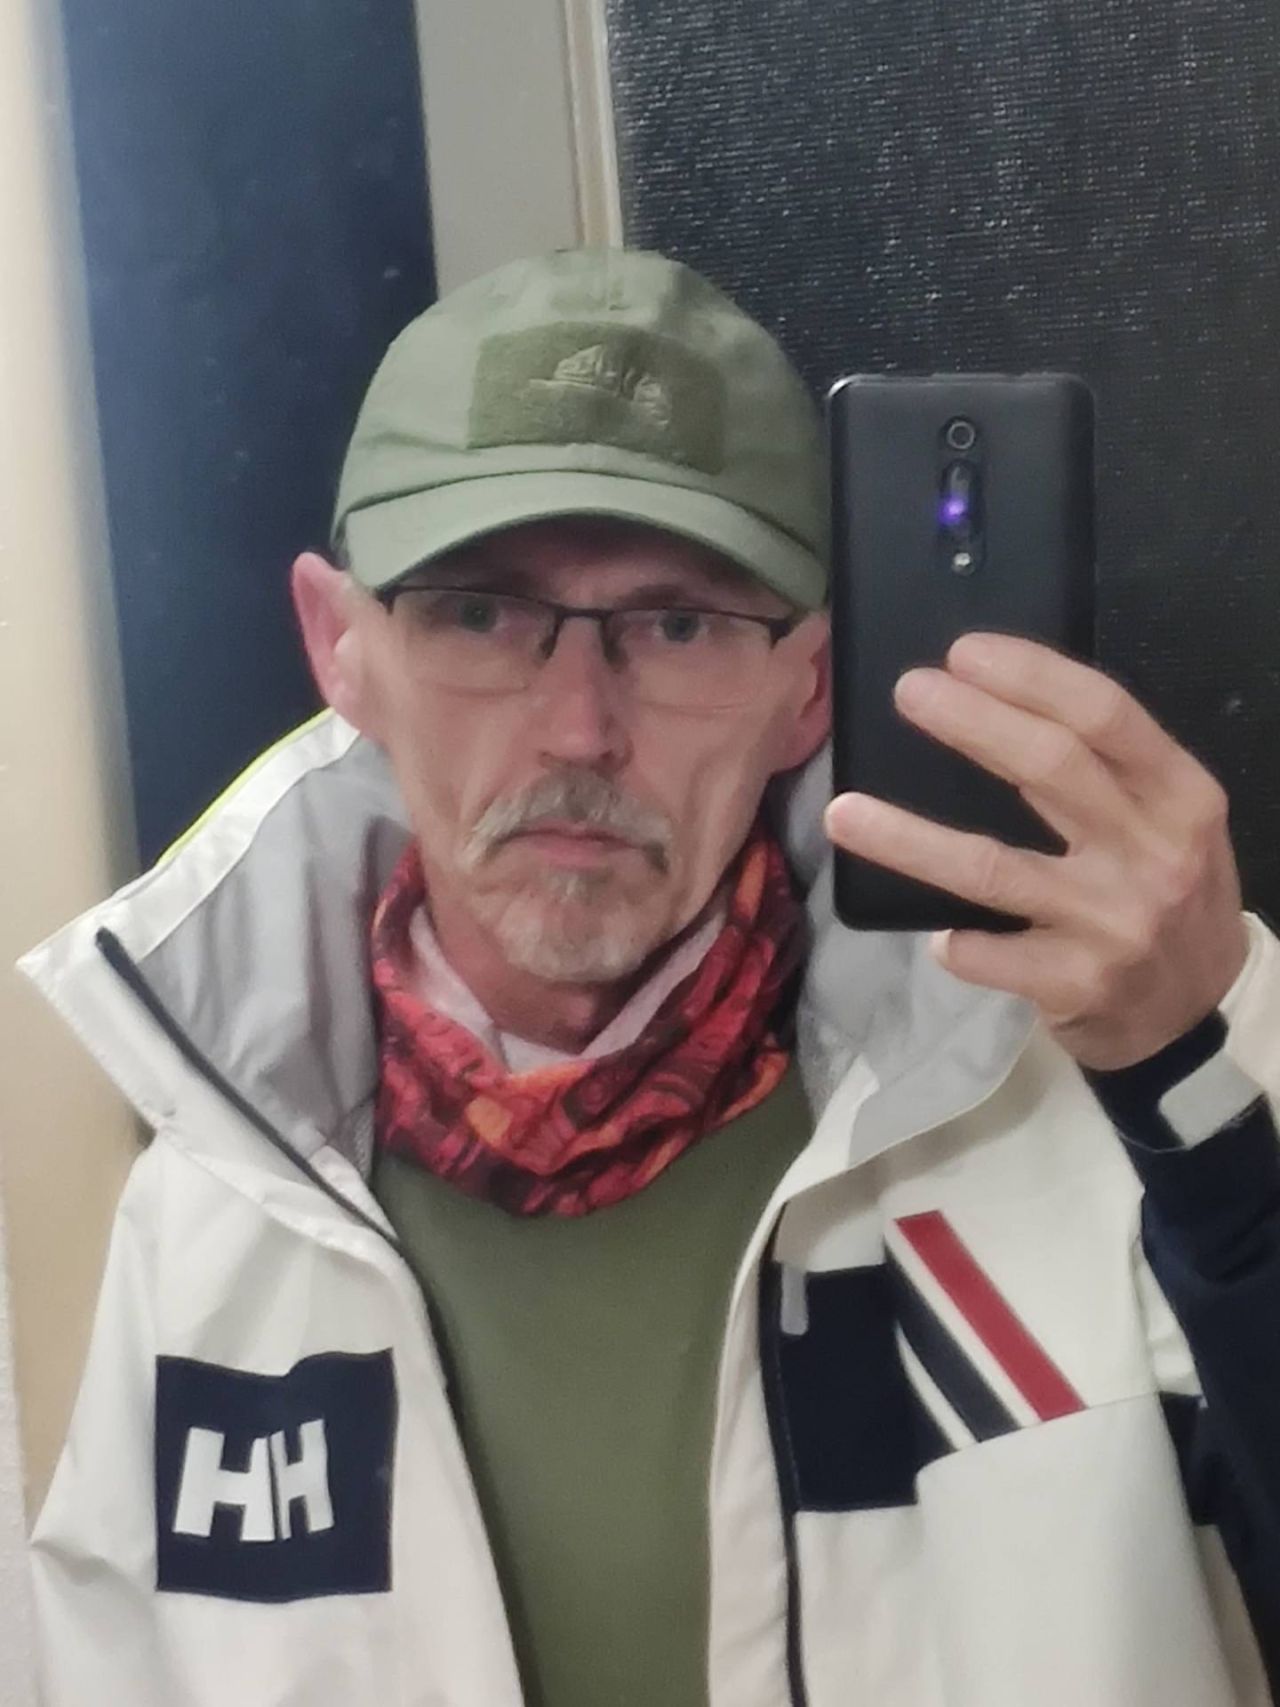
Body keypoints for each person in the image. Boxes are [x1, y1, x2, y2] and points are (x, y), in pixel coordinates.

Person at [18, 247, 1280, 1707]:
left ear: (809, 687)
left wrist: (1206, 1076)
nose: (577, 728)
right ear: (341, 648)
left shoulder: (1089, 1092)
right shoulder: (221, 1203)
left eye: (679, 626)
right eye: (480, 613)